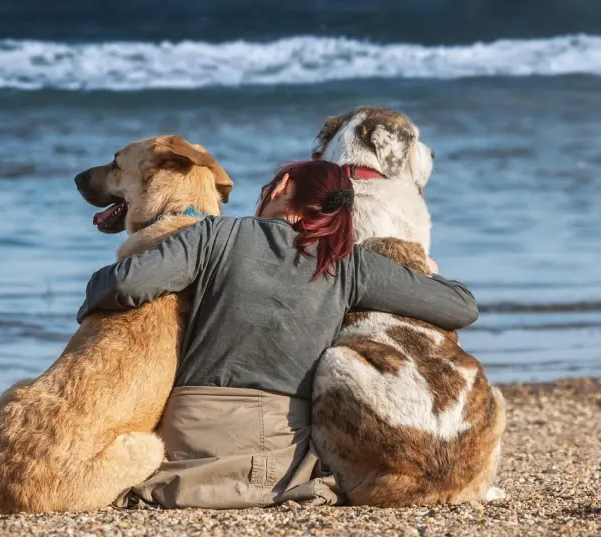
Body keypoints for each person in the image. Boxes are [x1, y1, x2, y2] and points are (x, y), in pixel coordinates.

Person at [77, 160, 478, 509]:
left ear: (283, 188)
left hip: (189, 437)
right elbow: (461, 306)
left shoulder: (216, 234)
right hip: (276, 459)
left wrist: (90, 301)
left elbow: (125, 285)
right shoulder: (350, 265)